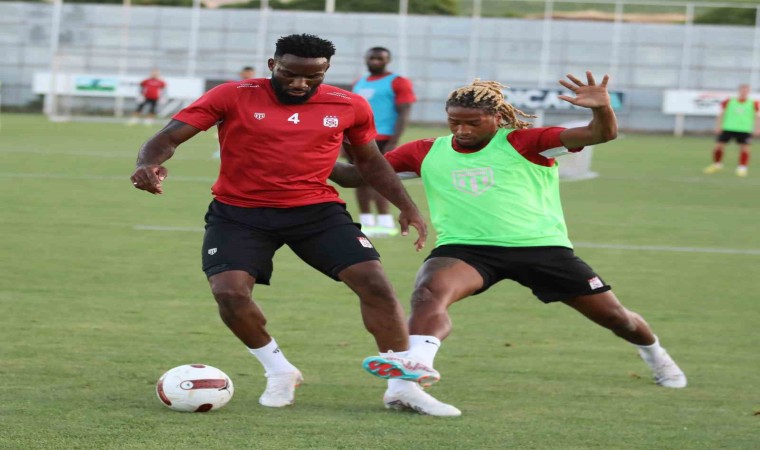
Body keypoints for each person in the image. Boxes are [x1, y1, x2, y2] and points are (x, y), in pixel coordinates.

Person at [331, 72, 687, 417]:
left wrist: (601, 109)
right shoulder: (425, 151)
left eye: (472, 123)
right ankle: (418, 362)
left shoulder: (527, 142)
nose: (462, 130)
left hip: (541, 248)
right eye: (454, 122)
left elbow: (601, 134)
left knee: (616, 318)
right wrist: (312, 149)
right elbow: (353, 176)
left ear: (497, 118)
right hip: (466, 249)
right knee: (428, 292)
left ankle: (655, 354)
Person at [130, 34, 439, 409]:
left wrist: (406, 205)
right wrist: (148, 164)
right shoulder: (232, 95)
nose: (299, 84)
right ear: (272, 65)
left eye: (313, 76)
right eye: (289, 74)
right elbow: (168, 137)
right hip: (239, 212)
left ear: (327, 70)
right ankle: (279, 371)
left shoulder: (350, 104)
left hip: (316, 212)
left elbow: (369, 162)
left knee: (375, 284)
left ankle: (402, 386)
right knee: (229, 293)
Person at [349, 47, 416, 237]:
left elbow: (404, 112)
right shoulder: (358, 83)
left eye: (380, 58)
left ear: (388, 60)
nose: (375, 61)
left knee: (380, 179)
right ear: (366, 59)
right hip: (356, 138)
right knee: (358, 179)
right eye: (372, 58)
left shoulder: (398, 82)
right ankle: (366, 222)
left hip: (383, 138)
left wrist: (394, 141)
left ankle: (385, 222)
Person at [703, 84, 758, 177]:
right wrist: (718, 126)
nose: (744, 92)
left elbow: (757, 116)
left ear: (748, 92)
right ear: (739, 91)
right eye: (742, 90)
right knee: (718, 147)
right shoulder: (729, 101)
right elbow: (721, 113)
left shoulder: (753, 102)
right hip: (728, 127)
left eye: (746, 90)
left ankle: (742, 168)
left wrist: (757, 128)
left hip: (744, 129)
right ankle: (717, 165)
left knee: (745, 148)